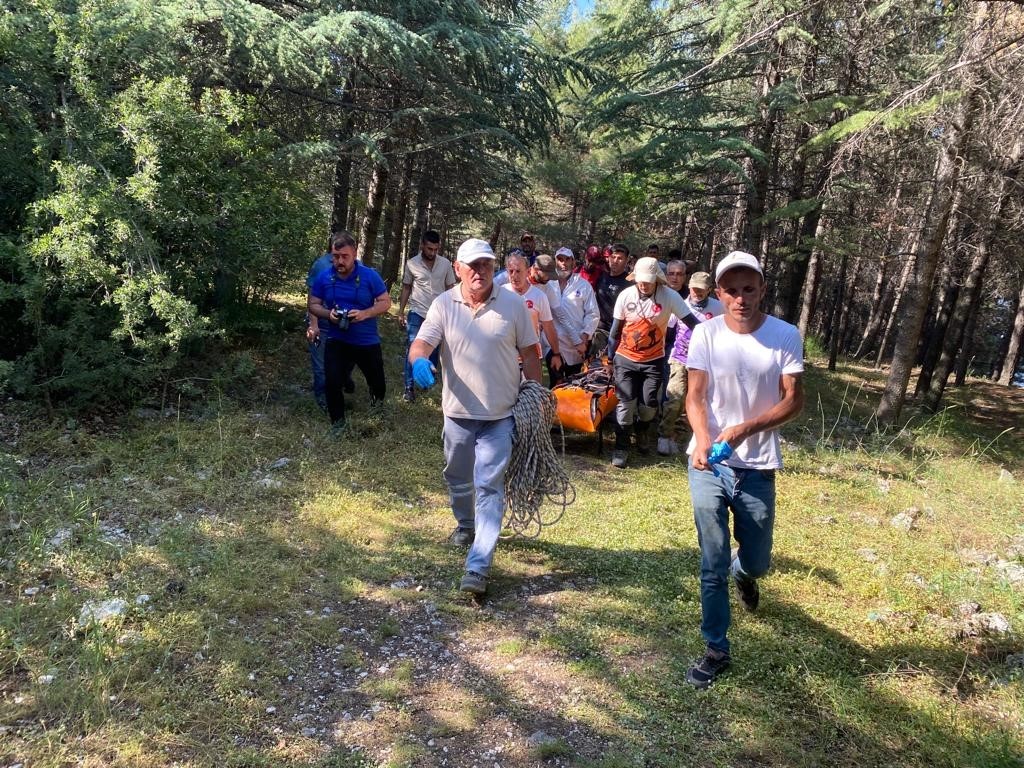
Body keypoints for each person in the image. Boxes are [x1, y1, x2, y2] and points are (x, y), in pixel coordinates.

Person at [684, 251, 804, 689]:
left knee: (756, 561)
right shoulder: (706, 335)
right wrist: (702, 439)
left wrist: (744, 428)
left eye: (748, 289)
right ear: (719, 293)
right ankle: (716, 647)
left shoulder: (784, 335)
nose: (740, 298)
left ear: (761, 290)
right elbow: (695, 395)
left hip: (759, 467)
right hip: (709, 464)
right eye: (731, 290)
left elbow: (794, 399)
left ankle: (744, 573)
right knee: (711, 560)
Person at [408, 238, 541, 596]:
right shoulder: (443, 304)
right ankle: (466, 525)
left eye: (486, 264)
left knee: (489, 486)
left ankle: (479, 566)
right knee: (456, 475)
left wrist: (536, 394)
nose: (480, 271)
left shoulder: (513, 305)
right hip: (457, 414)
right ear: (458, 269)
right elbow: (421, 344)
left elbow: (530, 353)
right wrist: (419, 360)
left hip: (500, 416)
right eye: (473, 265)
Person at [607, 256, 696, 468]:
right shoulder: (625, 295)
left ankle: (642, 432)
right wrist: (610, 358)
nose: (644, 284)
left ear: (657, 278)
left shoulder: (669, 296)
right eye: (640, 279)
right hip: (625, 358)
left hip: (653, 360)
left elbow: (693, 323)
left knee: (648, 406)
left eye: (648, 280)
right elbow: (614, 332)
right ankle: (621, 446)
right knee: (626, 404)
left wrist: (716, 338)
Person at [307, 230, 392, 429]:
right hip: (337, 339)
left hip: (366, 341)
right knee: (333, 382)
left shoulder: (369, 276)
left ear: (354, 254)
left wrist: (365, 314)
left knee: (377, 381)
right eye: (336, 257)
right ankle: (337, 424)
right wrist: (328, 315)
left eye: (345, 256)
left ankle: (377, 413)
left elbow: (385, 303)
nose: (340, 261)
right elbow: (313, 304)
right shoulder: (324, 277)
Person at [658, 270, 723, 456]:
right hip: (679, 357)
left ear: (709, 289)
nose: (697, 292)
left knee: (696, 399)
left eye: (701, 289)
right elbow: (667, 329)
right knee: (675, 397)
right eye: (694, 288)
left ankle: (679, 436)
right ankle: (664, 435)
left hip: (705, 363)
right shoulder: (680, 304)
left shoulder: (718, 308)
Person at [398, 230, 456, 402]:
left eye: (435, 249)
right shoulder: (411, 264)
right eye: (429, 248)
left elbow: (451, 288)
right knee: (413, 348)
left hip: (439, 315)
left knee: (433, 350)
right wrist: (400, 312)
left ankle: (426, 382)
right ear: (422, 245)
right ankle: (409, 388)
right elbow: (407, 287)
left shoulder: (445, 264)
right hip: (417, 312)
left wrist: (455, 311)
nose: (432, 252)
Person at [502, 253, 564, 378]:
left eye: (519, 271)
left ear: (527, 271)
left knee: (531, 395)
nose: (514, 276)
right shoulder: (501, 293)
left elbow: (549, 327)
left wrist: (556, 354)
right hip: (506, 356)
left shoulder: (539, 296)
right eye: (511, 271)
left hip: (531, 356)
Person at [549, 247, 599, 387]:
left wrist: (585, 335)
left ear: (573, 263)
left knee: (574, 386)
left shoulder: (583, 285)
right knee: (555, 386)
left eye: (567, 260)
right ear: (555, 262)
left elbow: (593, 313)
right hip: (553, 346)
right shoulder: (548, 285)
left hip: (576, 347)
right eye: (560, 259)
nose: (563, 263)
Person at [305, 243, 335, 410]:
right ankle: (322, 398)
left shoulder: (352, 265)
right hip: (321, 322)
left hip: (339, 323)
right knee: (320, 364)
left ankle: (336, 388)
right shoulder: (321, 265)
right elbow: (312, 296)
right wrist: (313, 324)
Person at [595, 243, 632, 337]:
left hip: (618, 332)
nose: (615, 261)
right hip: (598, 329)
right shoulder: (600, 277)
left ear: (627, 260)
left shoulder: (630, 283)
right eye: (613, 257)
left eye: (620, 258)